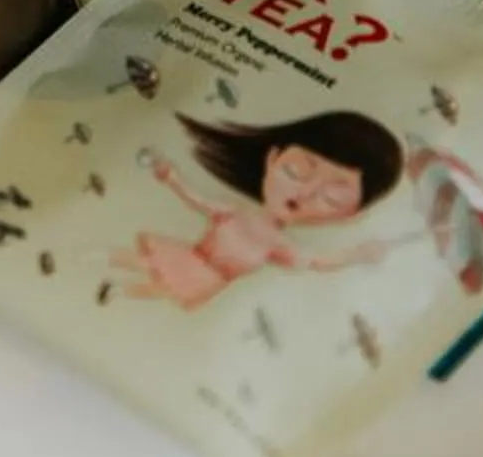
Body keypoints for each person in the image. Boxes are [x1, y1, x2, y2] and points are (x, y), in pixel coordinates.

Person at [113, 112, 406, 311]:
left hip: (204, 281)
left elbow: (318, 261)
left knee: (148, 294)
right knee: (130, 266)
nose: (303, 194)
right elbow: (198, 201)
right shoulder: (236, 212)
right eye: (297, 170)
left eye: (332, 198)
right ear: (273, 159)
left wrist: (355, 256)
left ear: (350, 216)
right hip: (187, 257)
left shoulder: (280, 246)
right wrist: (172, 179)